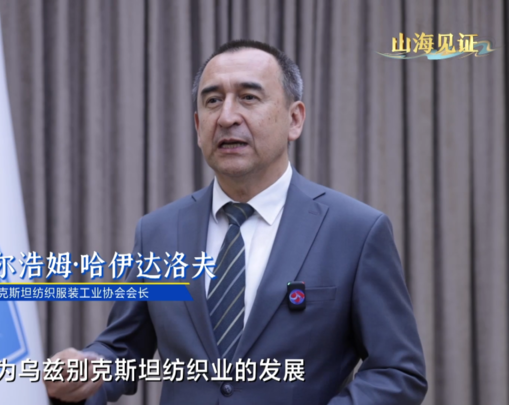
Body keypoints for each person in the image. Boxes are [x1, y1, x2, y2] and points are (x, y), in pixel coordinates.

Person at [44, 39, 427, 405]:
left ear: (294, 119)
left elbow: (398, 371)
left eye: (249, 97)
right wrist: (86, 369)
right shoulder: (158, 232)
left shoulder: (355, 231)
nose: (227, 117)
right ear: (198, 126)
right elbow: (123, 347)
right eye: (213, 101)